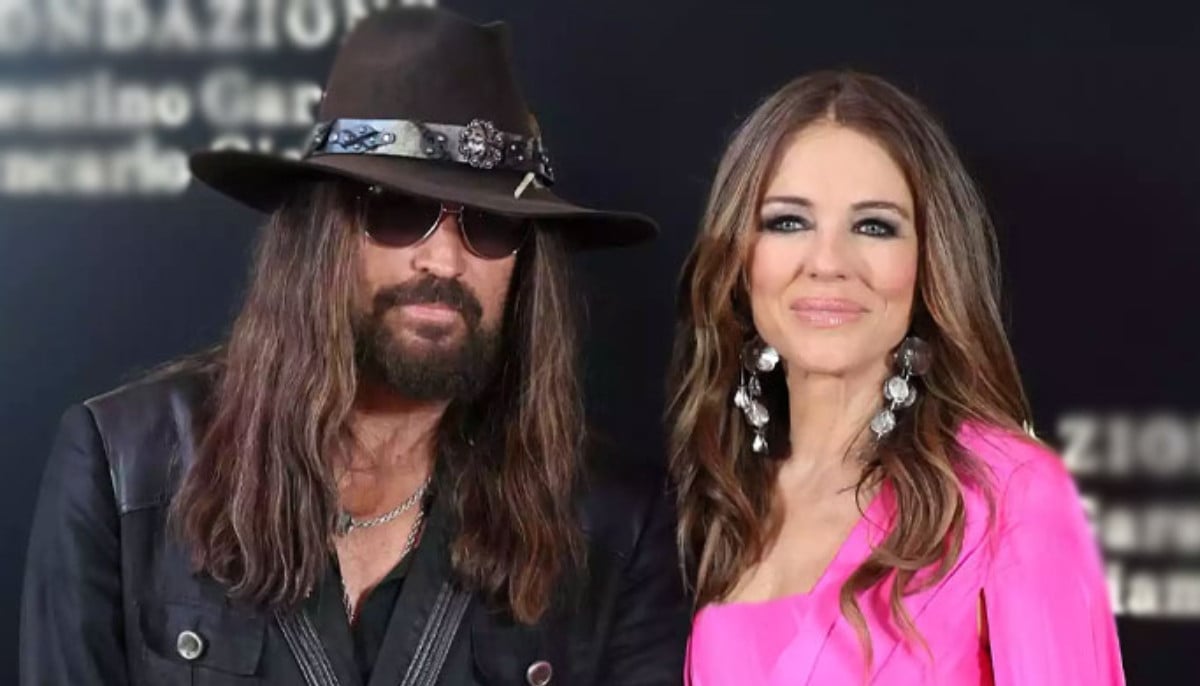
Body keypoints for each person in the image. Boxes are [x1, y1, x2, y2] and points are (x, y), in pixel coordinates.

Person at [21, 8, 689, 686]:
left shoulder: (615, 527)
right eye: (398, 210)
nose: (444, 260)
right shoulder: (123, 469)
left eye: (490, 225)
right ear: (320, 235)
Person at [669, 70, 1124, 685]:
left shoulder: (1010, 491)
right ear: (740, 257)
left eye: (874, 226)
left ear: (928, 259)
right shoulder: (722, 497)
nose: (827, 262)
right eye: (788, 221)